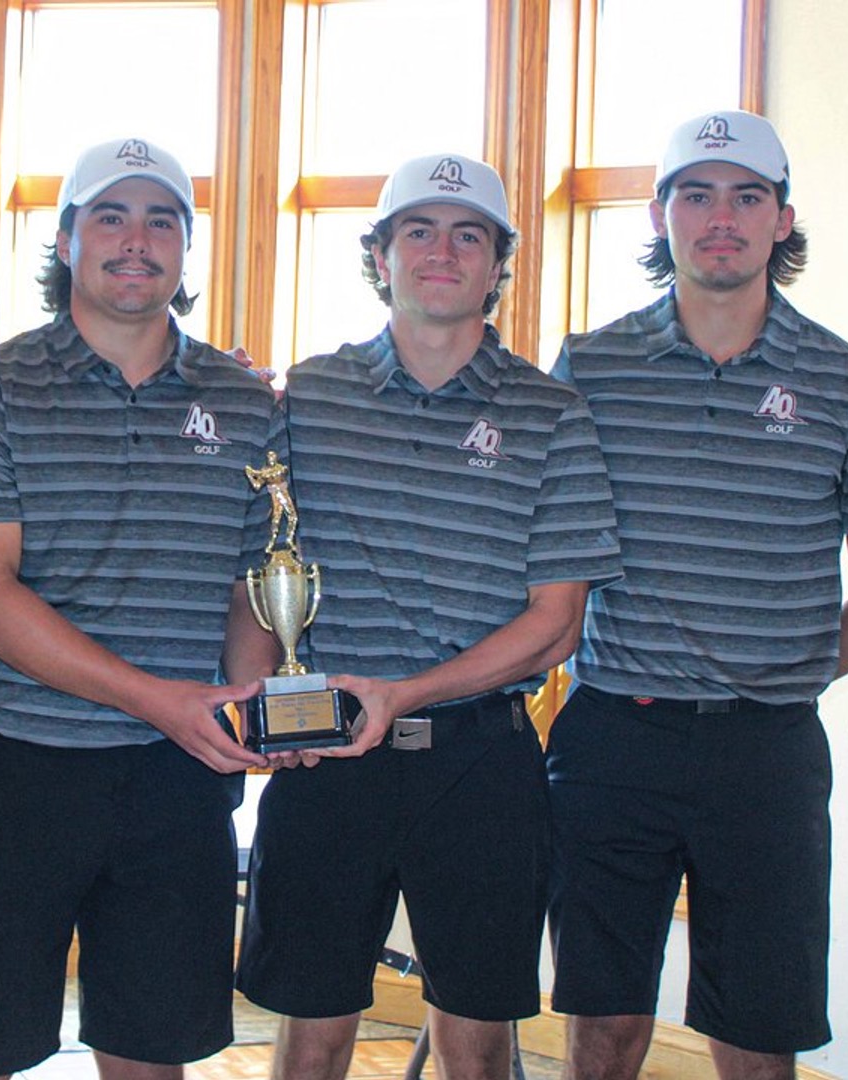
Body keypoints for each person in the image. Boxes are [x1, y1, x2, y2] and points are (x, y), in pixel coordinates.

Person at [231, 153, 622, 1080]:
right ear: (380, 256)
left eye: (467, 234)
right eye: (418, 230)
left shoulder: (553, 413)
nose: (441, 251)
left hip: (482, 761)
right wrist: (255, 704)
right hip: (323, 752)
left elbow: (555, 623)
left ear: (497, 264)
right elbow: (257, 560)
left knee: (477, 1040)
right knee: (311, 1030)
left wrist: (401, 695)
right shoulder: (307, 397)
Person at [545, 110, 848, 1080]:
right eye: (697, 196)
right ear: (662, 216)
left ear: (782, 220)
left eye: (747, 197)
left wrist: (784, 673)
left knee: (759, 1031)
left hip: (769, 752)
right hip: (612, 739)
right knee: (605, 1017)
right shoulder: (590, 370)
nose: (722, 218)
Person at [0, 136, 274, 1080]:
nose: (136, 240)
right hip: (15, 769)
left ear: (185, 249)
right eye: (109, 216)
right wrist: (161, 698)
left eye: (162, 220)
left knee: (153, 1056)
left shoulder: (245, 401)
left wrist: (249, 692)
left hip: (177, 777)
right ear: (67, 238)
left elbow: (256, 583)